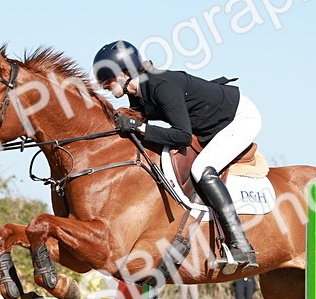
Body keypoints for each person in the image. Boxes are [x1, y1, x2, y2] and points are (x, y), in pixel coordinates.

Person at [92, 40, 261, 269]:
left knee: (202, 169)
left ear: (123, 74)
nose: (103, 87)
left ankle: (242, 247)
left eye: (106, 81)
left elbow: (182, 136)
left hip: (238, 118)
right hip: (209, 123)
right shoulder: (138, 93)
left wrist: (138, 127)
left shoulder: (161, 86)